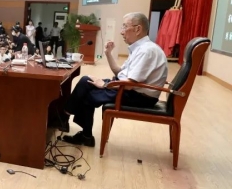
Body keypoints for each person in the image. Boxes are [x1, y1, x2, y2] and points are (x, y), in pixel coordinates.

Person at [62, 13, 167, 147]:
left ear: (137, 29)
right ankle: (69, 121)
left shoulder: (146, 51)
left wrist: (105, 85)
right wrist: (108, 54)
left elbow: (130, 85)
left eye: (124, 26)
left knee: (87, 89)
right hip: (131, 90)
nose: (121, 32)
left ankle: (67, 120)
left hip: (139, 97)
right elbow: (120, 73)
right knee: (86, 81)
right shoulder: (142, 48)